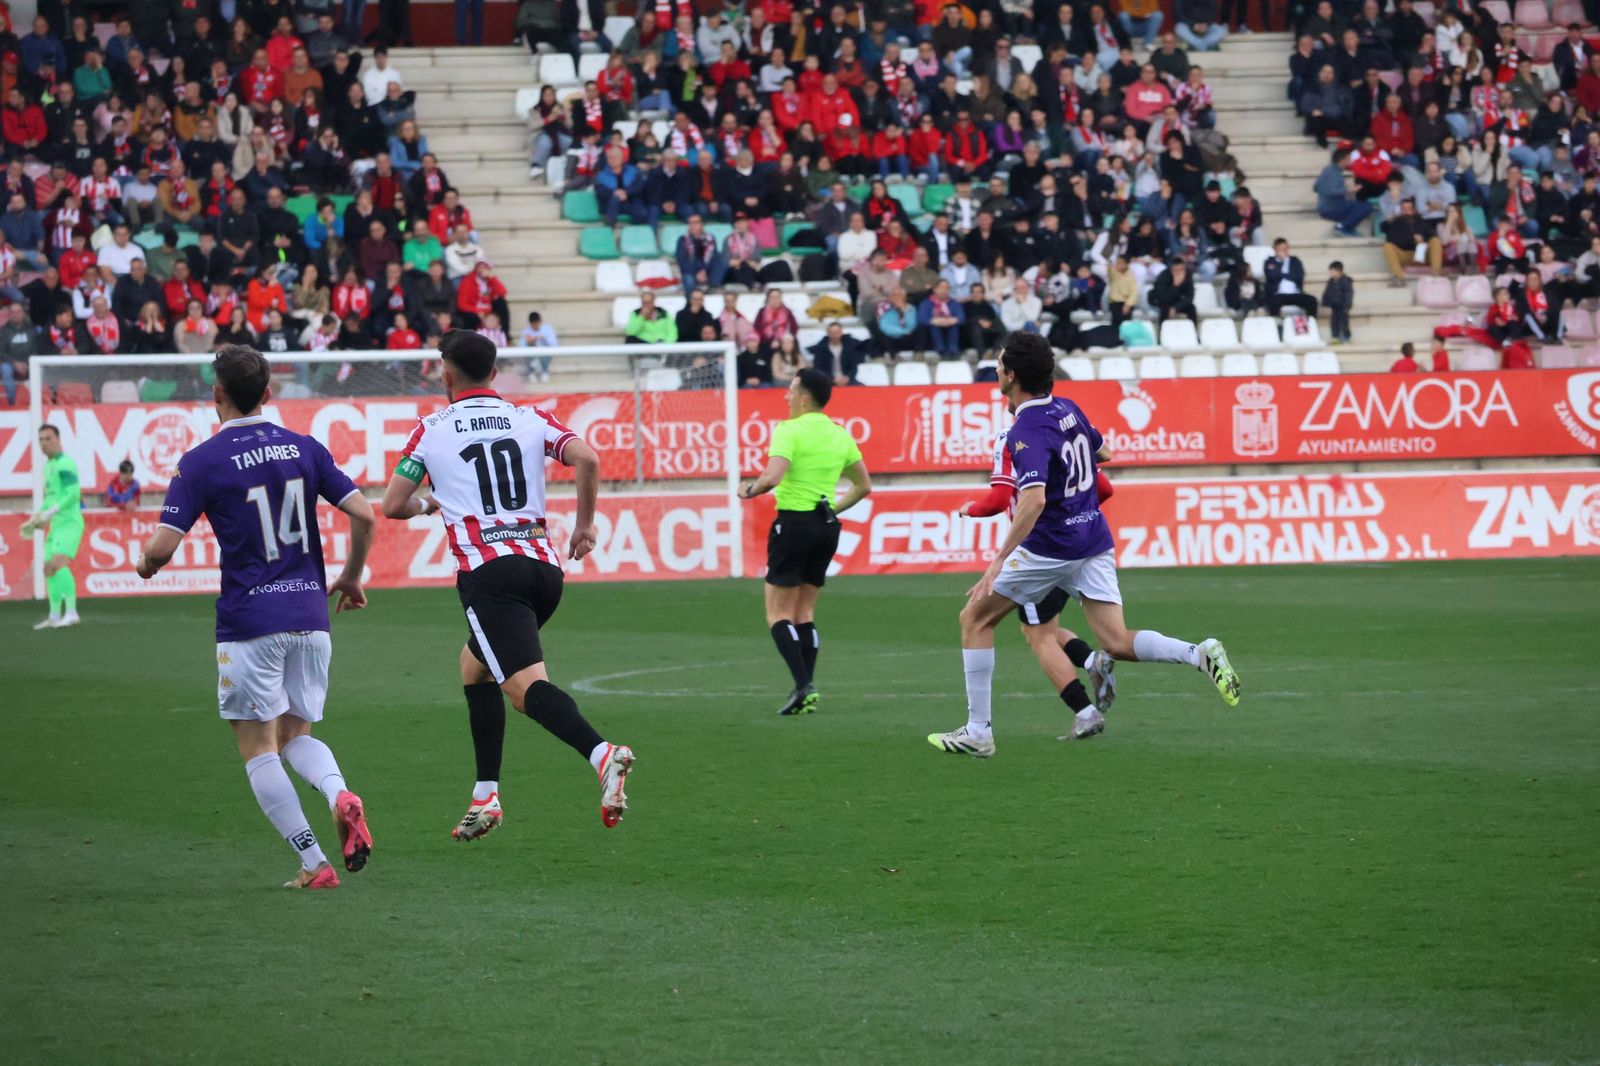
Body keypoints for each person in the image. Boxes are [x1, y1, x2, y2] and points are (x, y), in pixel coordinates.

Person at [929, 332, 1240, 758]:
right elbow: (1104, 452)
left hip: (1050, 545)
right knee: (1116, 640)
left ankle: (979, 732)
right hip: (1092, 537)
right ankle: (1198, 653)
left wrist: (998, 560)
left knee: (974, 620)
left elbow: (1033, 499)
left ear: (1013, 376)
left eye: (1000, 366)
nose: (997, 371)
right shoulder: (1067, 408)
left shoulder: (1025, 429)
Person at [133, 346, 376, 889]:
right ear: (269, 394)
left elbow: (163, 548)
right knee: (296, 735)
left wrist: (146, 563)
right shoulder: (304, 447)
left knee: (259, 747)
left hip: (250, 622)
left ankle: (315, 864)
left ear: (216, 395)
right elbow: (364, 513)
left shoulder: (201, 461)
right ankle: (339, 793)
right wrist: (352, 575)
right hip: (311, 616)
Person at [380, 331, 635, 838]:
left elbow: (391, 505)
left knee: (523, 692)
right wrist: (584, 526)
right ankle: (486, 796)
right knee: (474, 668)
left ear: (446, 375)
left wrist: (429, 503)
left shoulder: (430, 430)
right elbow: (588, 458)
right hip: (543, 569)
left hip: (490, 575)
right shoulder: (530, 417)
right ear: (495, 373)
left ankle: (602, 753)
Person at [960, 417, 1118, 740]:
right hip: (1075, 545)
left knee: (1038, 635)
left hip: (1041, 553)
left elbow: (1000, 499)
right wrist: (1072, 517)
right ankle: (1091, 659)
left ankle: (1085, 712)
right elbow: (1104, 488)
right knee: (1043, 627)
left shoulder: (1015, 438)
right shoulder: (1064, 431)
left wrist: (970, 509)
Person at [739, 368, 872, 716]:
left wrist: (748, 490)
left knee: (777, 613)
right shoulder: (839, 434)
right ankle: (806, 689)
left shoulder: (790, 430)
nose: (785, 396)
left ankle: (802, 686)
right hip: (826, 527)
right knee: (804, 612)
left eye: (790, 389)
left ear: (804, 397)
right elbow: (864, 486)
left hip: (794, 523)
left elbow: (772, 477)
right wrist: (832, 508)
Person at [21, 425, 85, 629]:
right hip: (57, 525)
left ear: (58, 439)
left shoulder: (65, 464)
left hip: (69, 523)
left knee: (58, 564)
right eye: (41, 439)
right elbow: (50, 499)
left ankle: (72, 613)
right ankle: (55, 615)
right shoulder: (49, 467)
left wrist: (50, 512)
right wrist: (36, 518)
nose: (44, 443)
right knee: (48, 569)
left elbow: (73, 494)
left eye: (48, 438)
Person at [1322, 261, 1354, 344]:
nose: (1331, 273)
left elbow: (1348, 294)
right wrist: (1326, 304)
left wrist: (1347, 306)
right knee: (1334, 322)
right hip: (1334, 306)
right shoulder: (1331, 282)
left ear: (1338, 271)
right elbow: (1327, 293)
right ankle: (1335, 337)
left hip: (1343, 306)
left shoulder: (1345, 281)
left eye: (1332, 271)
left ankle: (1346, 337)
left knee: (1344, 322)